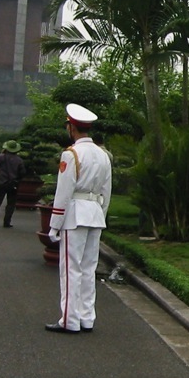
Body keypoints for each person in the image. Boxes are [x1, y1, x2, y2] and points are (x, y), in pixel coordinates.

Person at [46, 104, 112, 334]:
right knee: (88, 268)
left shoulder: (71, 154)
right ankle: (86, 317)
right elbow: (107, 191)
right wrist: (101, 215)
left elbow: (64, 191)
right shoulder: (104, 155)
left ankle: (68, 320)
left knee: (70, 269)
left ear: (71, 127)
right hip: (95, 212)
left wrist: (54, 224)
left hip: (75, 213)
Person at [0, 140, 26, 228]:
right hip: (13, 184)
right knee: (11, 204)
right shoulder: (19, 160)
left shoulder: (1, 157)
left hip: (2, 182)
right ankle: (7, 222)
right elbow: (23, 172)